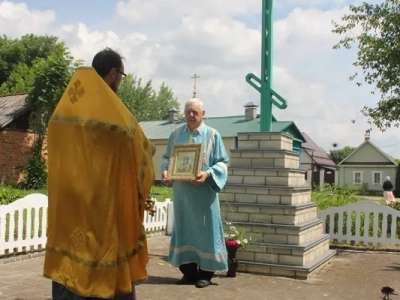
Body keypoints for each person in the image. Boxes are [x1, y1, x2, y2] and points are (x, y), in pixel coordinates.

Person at [43, 48, 156, 299]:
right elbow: (140, 149)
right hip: (100, 204)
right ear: (113, 73)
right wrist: (148, 150)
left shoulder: (65, 109)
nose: (120, 82)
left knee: (70, 254)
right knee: (101, 252)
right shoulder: (113, 111)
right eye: (121, 76)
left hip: (68, 202)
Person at [161, 97, 229, 289]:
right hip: (182, 194)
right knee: (184, 230)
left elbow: (223, 162)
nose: (191, 115)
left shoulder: (212, 135)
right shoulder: (175, 134)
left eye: (195, 112)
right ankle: (189, 272)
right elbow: (166, 157)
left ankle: (206, 274)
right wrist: (165, 171)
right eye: (188, 111)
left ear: (203, 114)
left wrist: (208, 173)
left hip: (203, 195)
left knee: (206, 232)